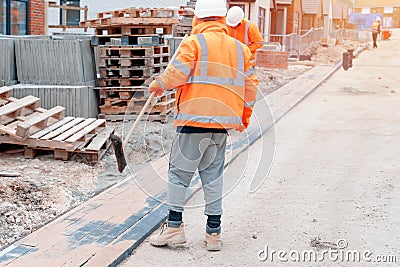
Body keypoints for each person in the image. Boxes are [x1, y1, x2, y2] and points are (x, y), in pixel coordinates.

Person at [148, 0, 258, 251]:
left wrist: (158, 84)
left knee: (178, 174)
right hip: (221, 124)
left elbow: (176, 74)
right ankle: (213, 234)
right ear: (222, 19)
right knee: (212, 176)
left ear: (198, 19)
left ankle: (174, 228)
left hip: (193, 120)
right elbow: (250, 87)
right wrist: (244, 116)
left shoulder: (193, 43)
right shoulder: (240, 49)